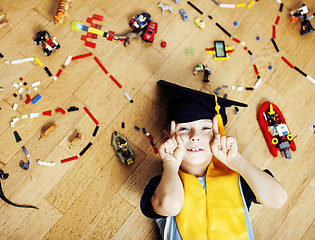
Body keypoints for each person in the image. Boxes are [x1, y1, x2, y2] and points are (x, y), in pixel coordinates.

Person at [140, 80, 288, 240]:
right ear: (167, 137)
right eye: (183, 129)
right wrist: (170, 165)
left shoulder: (239, 179)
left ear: (218, 134)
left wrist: (235, 160)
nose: (195, 136)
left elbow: (278, 198)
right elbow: (170, 204)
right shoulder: (162, 185)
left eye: (206, 128)